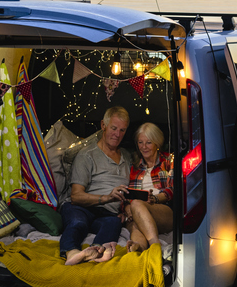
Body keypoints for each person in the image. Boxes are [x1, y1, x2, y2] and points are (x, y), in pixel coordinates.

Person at [59, 106, 131, 265]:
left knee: (113, 223)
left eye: (122, 130)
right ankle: (72, 253)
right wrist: (107, 198)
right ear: (103, 125)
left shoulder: (127, 157)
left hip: (107, 213)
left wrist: (124, 209)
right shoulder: (87, 155)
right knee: (78, 223)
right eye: (113, 128)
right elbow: (76, 196)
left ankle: (96, 252)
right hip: (80, 208)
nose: (117, 134)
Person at [122, 122, 175, 253]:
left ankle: (155, 245)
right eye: (140, 142)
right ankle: (138, 248)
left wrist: (155, 199)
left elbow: (173, 189)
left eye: (149, 143)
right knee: (135, 217)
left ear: (157, 143)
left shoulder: (168, 160)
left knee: (137, 205)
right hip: (137, 211)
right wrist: (127, 208)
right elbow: (126, 193)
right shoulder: (133, 165)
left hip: (162, 210)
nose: (144, 147)